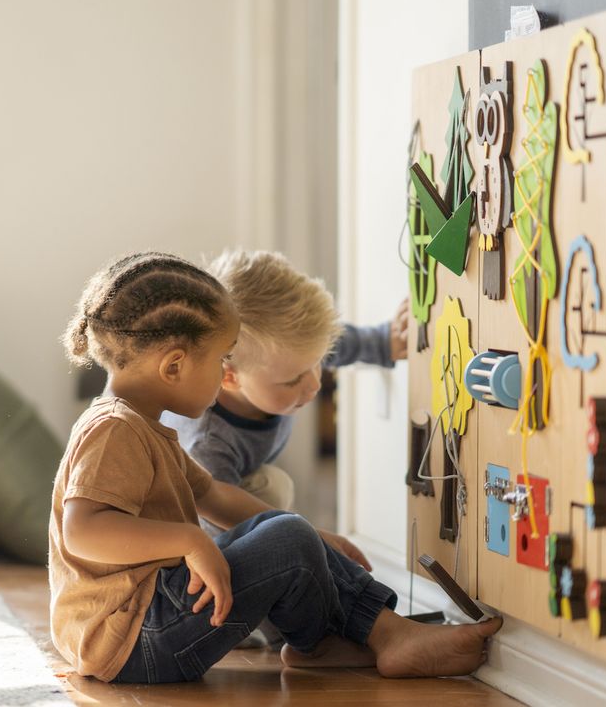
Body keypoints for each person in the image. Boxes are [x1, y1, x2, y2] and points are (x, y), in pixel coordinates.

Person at [50, 251, 501, 684]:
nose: (226, 371)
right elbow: (84, 530)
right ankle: (382, 636)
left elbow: (214, 495)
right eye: (221, 358)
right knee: (286, 537)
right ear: (174, 366)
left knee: (282, 527)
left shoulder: (141, 425)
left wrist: (312, 539)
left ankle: (325, 645)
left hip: (148, 622)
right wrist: (190, 539)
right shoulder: (114, 429)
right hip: (133, 639)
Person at [162, 249, 408, 546]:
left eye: (318, 362)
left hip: (235, 475)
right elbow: (217, 513)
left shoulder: (284, 358)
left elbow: (327, 340)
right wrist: (303, 542)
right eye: (293, 380)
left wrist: (382, 343)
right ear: (228, 377)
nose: (315, 385)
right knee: (274, 493)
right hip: (184, 518)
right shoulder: (207, 441)